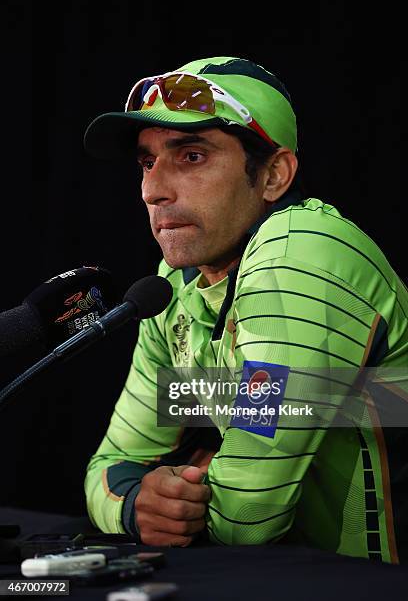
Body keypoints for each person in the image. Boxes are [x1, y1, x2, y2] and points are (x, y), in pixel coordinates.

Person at [83, 56, 408, 562]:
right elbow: (116, 462)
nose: (152, 190)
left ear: (274, 175)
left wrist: (188, 489)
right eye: (147, 162)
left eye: (191, 156)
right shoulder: (173, 288)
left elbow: (246, 519)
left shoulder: (302, 252)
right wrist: (139, 506)